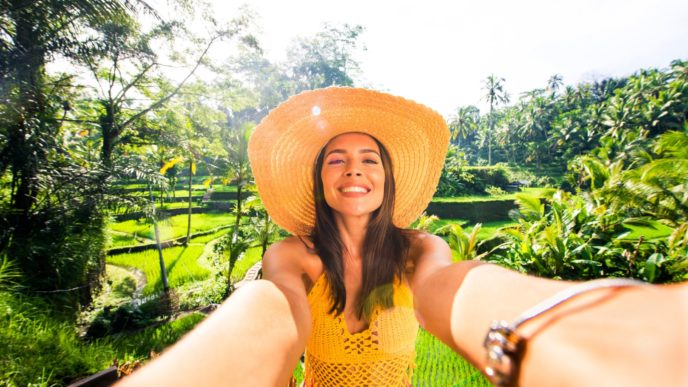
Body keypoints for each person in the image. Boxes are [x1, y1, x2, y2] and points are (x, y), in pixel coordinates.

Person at [118, 88, 688, 387]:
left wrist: (578, 328)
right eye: (336, 159)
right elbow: (270, 320)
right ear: (321, 178)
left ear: (386, 177)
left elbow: (454, 290)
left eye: (370, 159)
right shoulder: (293, 257)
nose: (354, 169)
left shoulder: (418, 251)